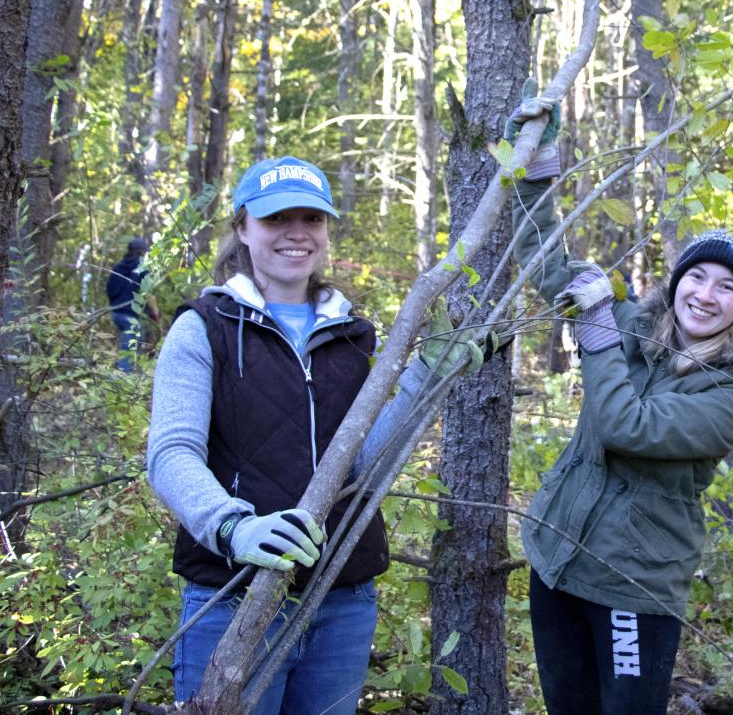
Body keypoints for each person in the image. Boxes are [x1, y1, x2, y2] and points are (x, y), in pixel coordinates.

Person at [146, 156, 477, 714]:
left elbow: (363, 466)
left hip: (341, 598)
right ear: (243, 228)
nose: (297, 233)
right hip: (235, 593)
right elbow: (171, 454)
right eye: (277, 219)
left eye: (312, 219)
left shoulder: (352, 333)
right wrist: (234, 527)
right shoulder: (205, 327)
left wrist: (427, 373)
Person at [508, 92, 733, 714]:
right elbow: (546, 262)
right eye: (697, 276)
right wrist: (535, 165)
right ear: (677, 281)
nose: (706, 294)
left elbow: (625, 427)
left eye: (727, 288)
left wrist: (594, 333)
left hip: (632, 586)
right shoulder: (631, 327)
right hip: (556, 560)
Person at [106, 236, 159, 371]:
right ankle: (124, 381)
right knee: (129, 352)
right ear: (142, 252)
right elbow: (148, 292)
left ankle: (123, 374)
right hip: (130, 316)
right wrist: (154, 311)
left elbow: (109, 290)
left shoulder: (118, 267)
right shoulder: (142, 268)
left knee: (126, 347)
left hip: (116, 314)